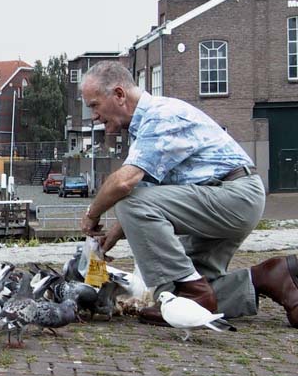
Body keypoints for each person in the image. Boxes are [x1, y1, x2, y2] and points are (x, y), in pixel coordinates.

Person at [79, 61, 298, 327]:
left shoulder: (161, 116)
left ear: (119, 95)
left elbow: (125, 185)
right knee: (181, 297)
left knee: (128, 202)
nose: (94, 116)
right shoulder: (148, 127)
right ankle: (270, 278)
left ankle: (195, 292)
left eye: (94, 105)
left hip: (232, 196)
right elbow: (148, 194)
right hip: (224, 197)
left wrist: (93, 214)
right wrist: (110, 237)